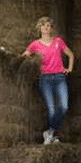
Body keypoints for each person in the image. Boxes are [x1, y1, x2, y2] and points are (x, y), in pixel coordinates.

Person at [22, 16, 74, 144]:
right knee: (51, 109)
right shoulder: (35, 44)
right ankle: (52, 134)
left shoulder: (58, 41)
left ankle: (50, 132)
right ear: (39, 28)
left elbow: (71, 54)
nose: (46, 27)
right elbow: (23, 57)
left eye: (48, 25)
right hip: (45, 79)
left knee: (64, 106)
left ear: (51, 28)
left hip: (59, 77)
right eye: (43, 25)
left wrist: (69, 68)